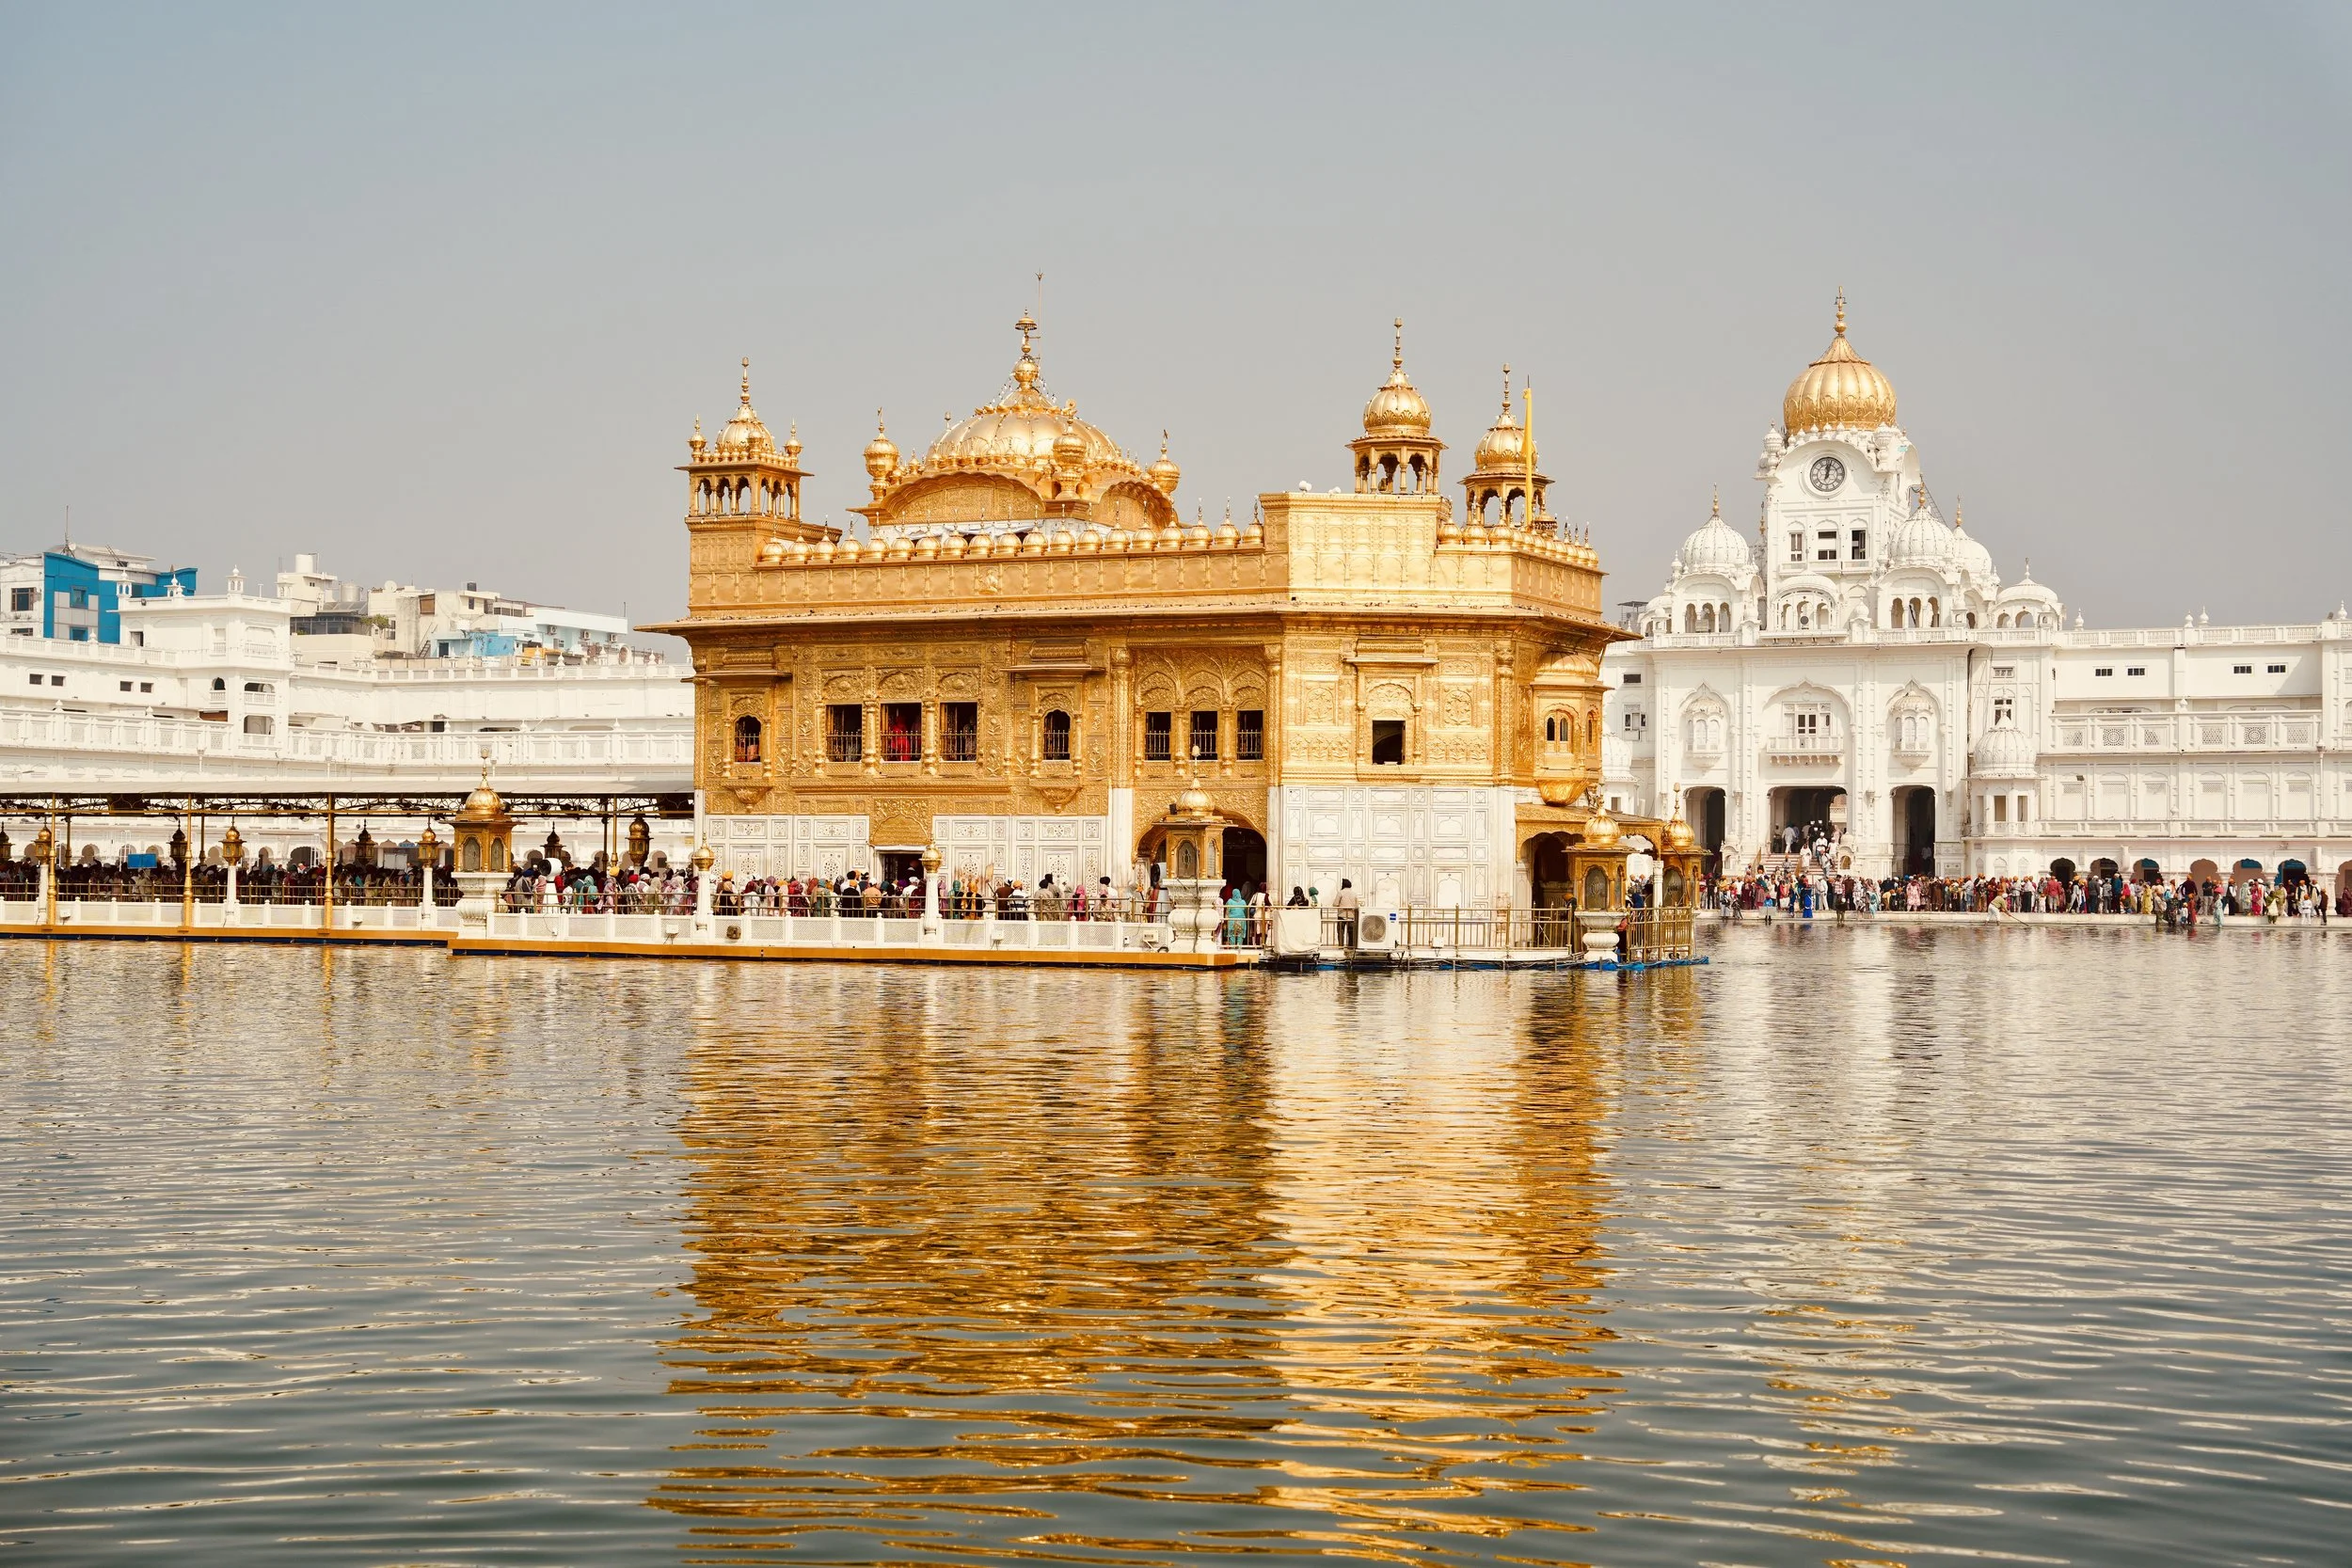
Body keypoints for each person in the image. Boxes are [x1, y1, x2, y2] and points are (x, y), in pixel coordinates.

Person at [1333, 878, 1360, 947]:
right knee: (1351, 932)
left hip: (1342, 915)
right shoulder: (1354, 893)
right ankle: (1350, 947)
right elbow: (1357, 906)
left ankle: (1341, 946)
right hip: (1351, 916)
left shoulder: (1341, 892)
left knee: (1341, 932)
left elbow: (1335, 904)